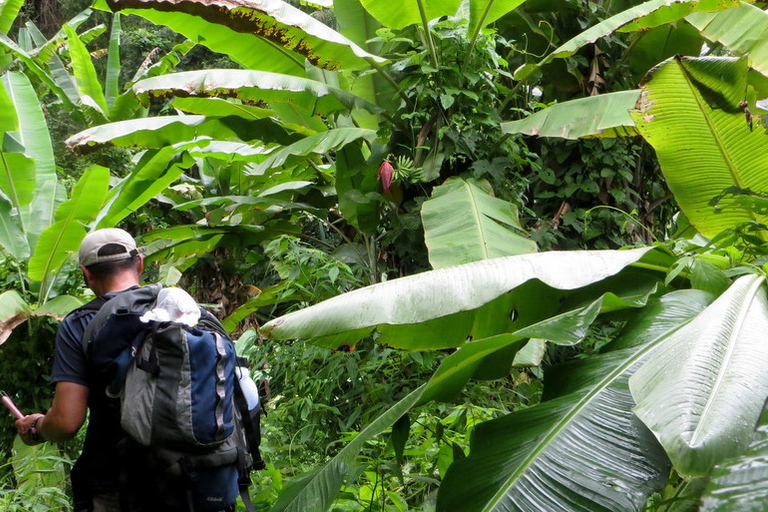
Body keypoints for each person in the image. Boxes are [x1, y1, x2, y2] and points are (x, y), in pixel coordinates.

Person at [16, 228, 145, 512]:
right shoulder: (184, 312)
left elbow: (65, 423)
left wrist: (38, 426)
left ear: (86, 274)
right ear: (139, 263)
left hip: (116, 480)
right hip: (194, 475)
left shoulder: (81, 323)